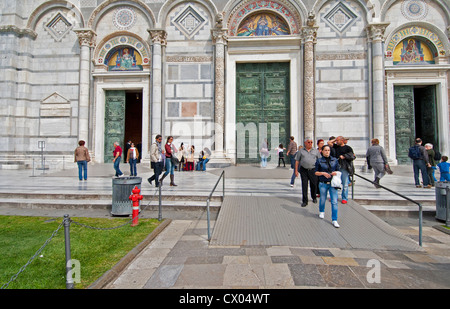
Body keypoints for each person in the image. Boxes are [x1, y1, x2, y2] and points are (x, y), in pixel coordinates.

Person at [315, 145, 341, 228]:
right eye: (325, 150)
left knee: (334, 201)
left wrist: (335, 173)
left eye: (328, 150)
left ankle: (334, 219)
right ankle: (321, 211)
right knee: (322, 199)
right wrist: (323, 173)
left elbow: (338, 170)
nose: (327, 152)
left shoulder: (335, 160)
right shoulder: (319, 161)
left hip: (332, 184)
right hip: (323, 183)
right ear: (322, 151)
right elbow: (316, 172)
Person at [295, 138, 320, 207]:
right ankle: (305, 201)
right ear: (305, 143)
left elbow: (319, 160)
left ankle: (314, 197)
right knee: (304, 185)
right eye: (308, 142)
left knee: (314, 184)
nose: (310, 143)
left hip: (313, 170)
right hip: (304, 170)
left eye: (311, 142)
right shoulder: (301, 151)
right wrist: (296, 171)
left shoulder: (316, 151)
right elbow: (297, 161)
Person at [333, 136, 355, 204]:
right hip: (337, 167)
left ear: (342, 140)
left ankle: (344, 198)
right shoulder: (336, 147)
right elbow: (329, 142)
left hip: (344, 167)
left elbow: (353, 156)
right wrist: (335, 139)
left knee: (345, 183)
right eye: (336, 140)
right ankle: (334, 197)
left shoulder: (348, 148)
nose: (336, 142)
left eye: (337, 140)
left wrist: (344, 156)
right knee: (336, 182)